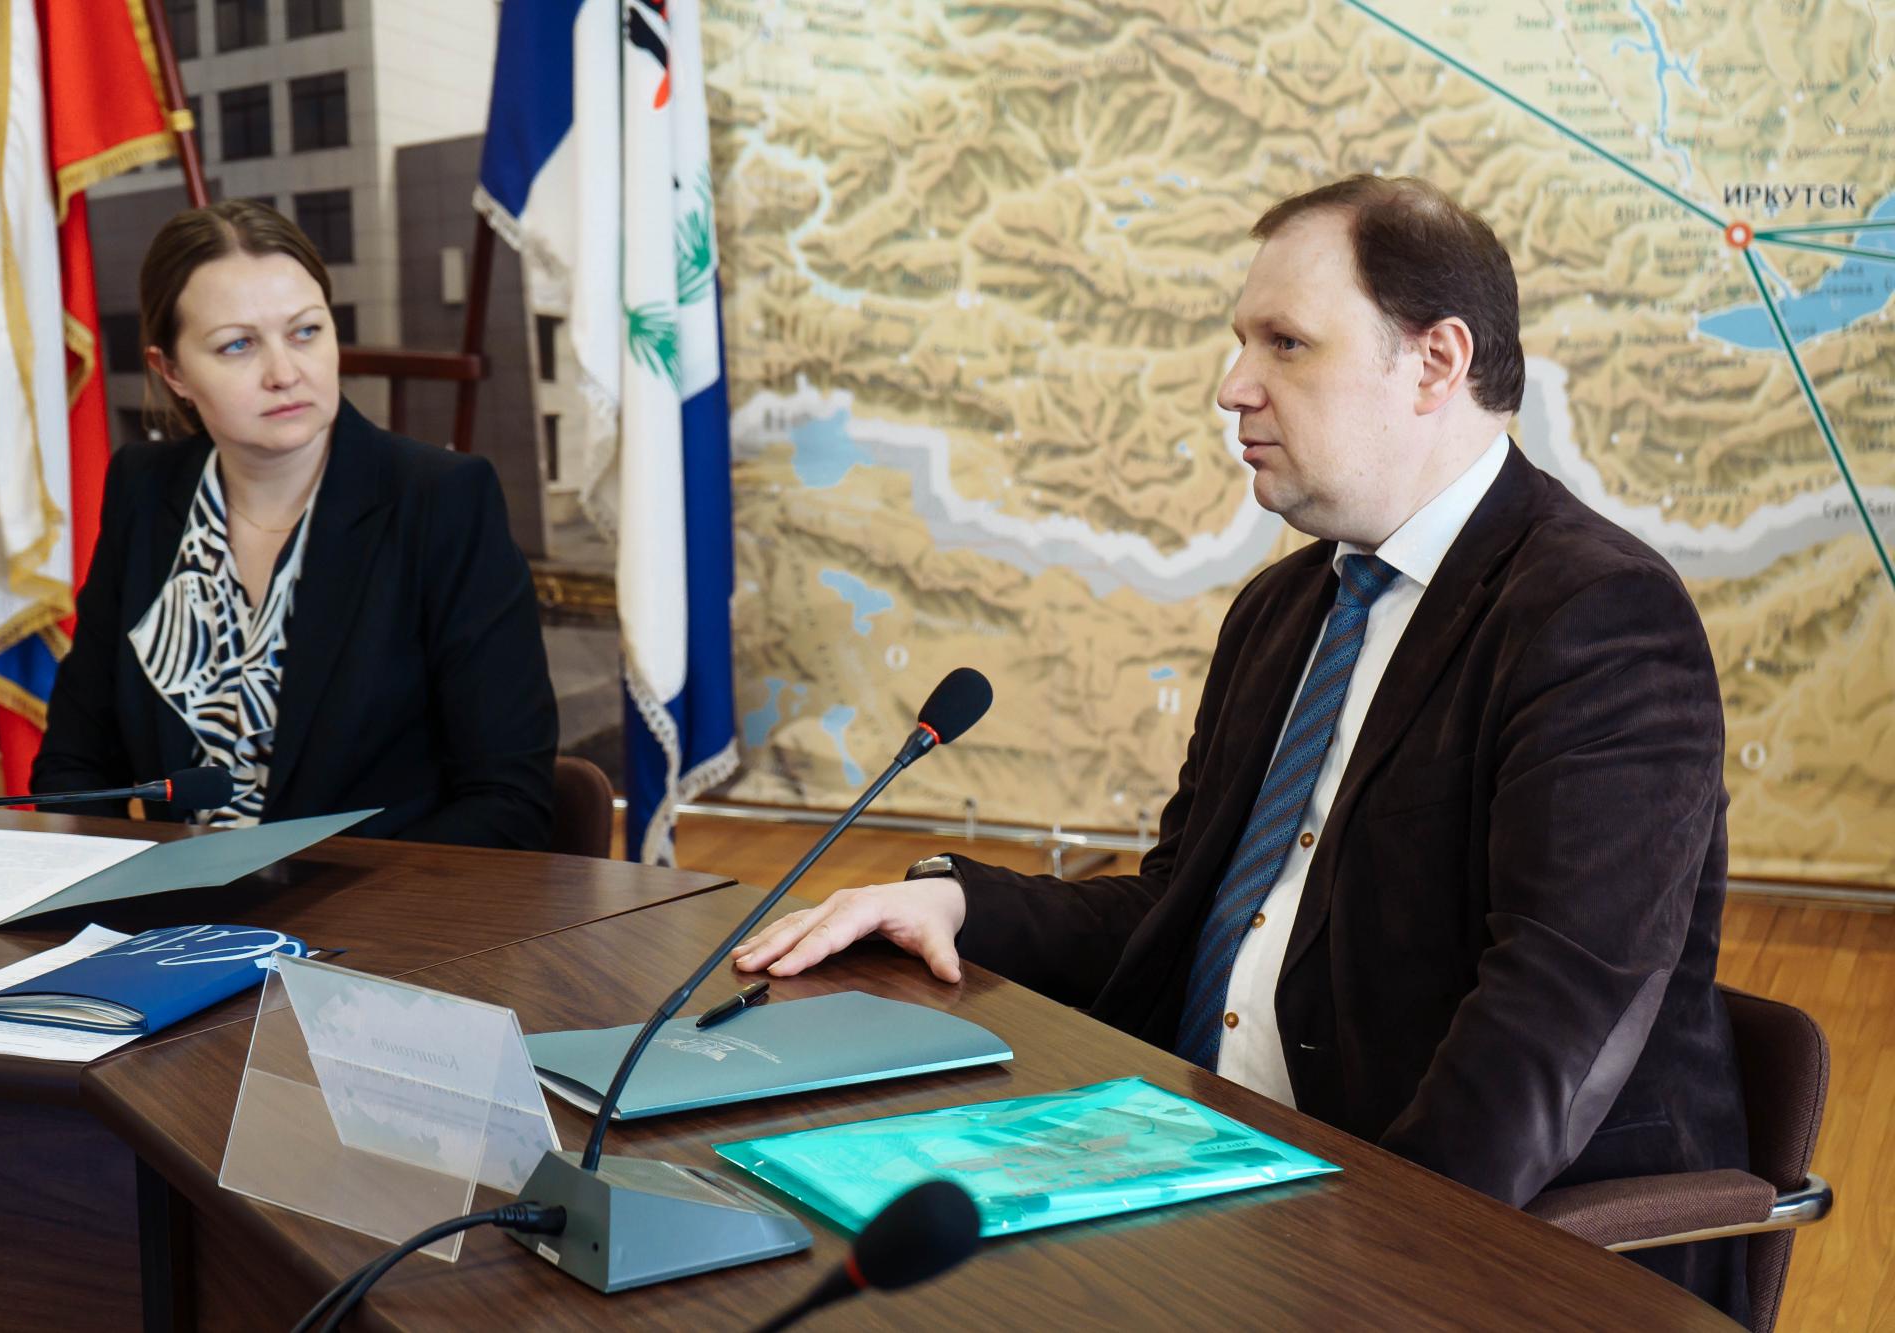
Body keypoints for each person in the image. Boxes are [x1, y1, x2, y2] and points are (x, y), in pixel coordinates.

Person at [733, 176, 1750, 1319]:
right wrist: (956, 901)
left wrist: (1366, 1265)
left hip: (1460, 1251)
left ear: (1433, 363)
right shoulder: (1284, 610)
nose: (1232, 387)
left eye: (1285, 343)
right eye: (1239, 342)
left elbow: (1549, 1026)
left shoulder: (1595, 616)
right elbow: (1183, 908)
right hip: (1216, 1166)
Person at [32, 200, 558, 850]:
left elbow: (509, 803)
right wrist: (120, 889)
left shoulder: (442, 500)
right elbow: (75, 765)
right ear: (173, 371)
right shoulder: (144, 489)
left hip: (381, 904)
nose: (284, 373)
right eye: (238, 345)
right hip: (174, 904)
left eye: (306, 332)